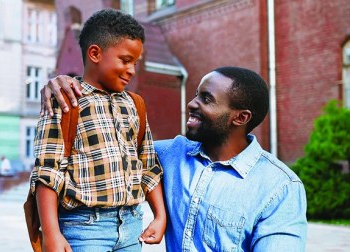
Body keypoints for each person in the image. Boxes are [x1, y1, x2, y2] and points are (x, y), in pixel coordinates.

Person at [41, 66, 307, 251]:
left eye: (206, 99)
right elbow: (101, 146)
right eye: (195, 95)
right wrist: (68, 83)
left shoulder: (279, 188)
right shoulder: (170, 155)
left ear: (240, 117)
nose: (192, 103)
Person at [30, 9, 166, 252]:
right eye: (125, 60)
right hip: (84, 228)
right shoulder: (65, 102)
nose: (132, 70)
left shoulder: (135, 104)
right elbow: (47, 173)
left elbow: (148, 164)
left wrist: (159, 215)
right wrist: (51, 234)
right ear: (95, 53)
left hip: (131, 225)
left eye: (135, 63)